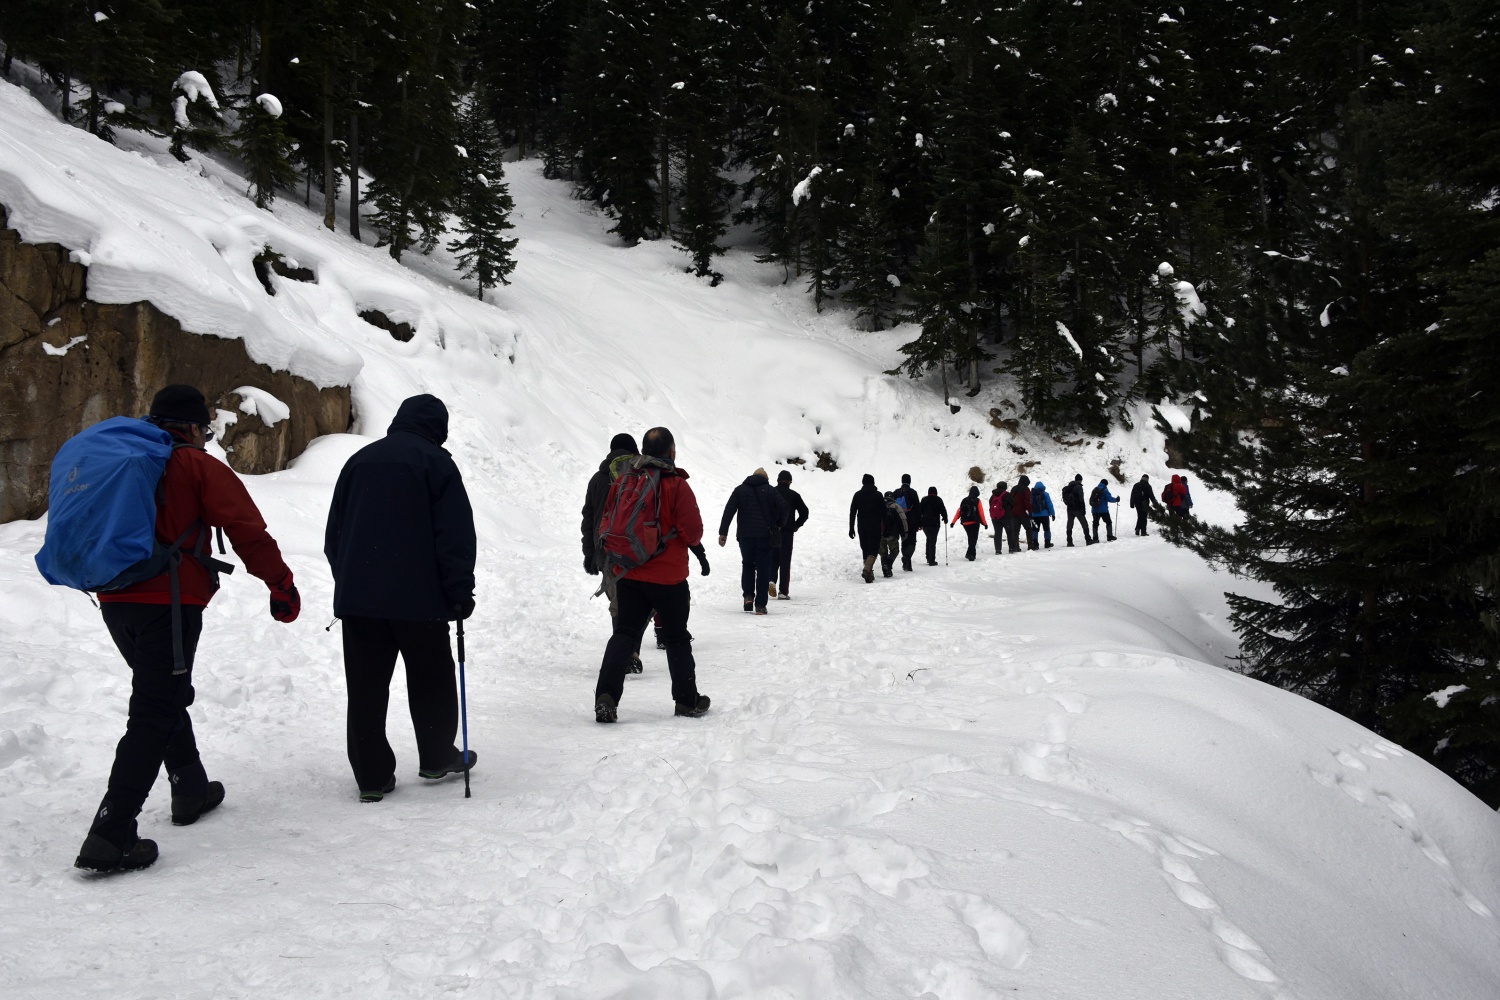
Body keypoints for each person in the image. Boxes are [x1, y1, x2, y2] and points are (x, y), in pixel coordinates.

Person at [71, 386, 300, 873]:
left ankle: (190, 787)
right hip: (168, 599)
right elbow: (246, 531)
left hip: (113, 596)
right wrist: (281, 584)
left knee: (163, 692)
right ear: (195, 428)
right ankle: (111, 833)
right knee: (155, 708)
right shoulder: (196, 465)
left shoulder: (122, 458)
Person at [325, 394, 477, 804]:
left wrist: (351, 582)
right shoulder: (436, 463)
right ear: (438, 428)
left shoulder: (358, 462)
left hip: (360, 603)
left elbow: (334, 536)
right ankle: (435, 756)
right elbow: (455, 535)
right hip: (419, 601)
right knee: (431, 680)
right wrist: (459, 591)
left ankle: (372, 777)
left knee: (366, 688)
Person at [594, 427, 709, 722]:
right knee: (676, 638)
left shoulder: (623, 481)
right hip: (669, 578)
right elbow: (693, 532)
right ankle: (686, 701)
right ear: (671, 452)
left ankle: (606, 696)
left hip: (630, 572)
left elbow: (606, 522)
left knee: (625, 632)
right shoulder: (677, 485)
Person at [582, 433, 645, 672]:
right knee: (639, 603)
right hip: (639, 550)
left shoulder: (598, 480)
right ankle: (633, 651)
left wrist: (589, 554)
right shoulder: (643, 474)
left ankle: (624, 651)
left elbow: (588, 520)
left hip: (607, 551)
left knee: (618, 605)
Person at [718, 467, 788, 614]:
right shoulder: (770, 490)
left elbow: (729, 510)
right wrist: (780, 524)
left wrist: (723, 532)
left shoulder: (740, 490)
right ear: (766, 479)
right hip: (765, 536)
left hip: (745, 536)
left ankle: (748, 597)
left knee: (748, 565)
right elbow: (784, 507)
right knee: (763, 569)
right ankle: (760, 606)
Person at [773, 470, 809, 599]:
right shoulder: (794, 495)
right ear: (789, 481)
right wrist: (796, 525)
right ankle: (783, 591)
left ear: (778, 480)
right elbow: (805, 512)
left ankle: (771, 581)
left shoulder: (770, 492)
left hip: (772, 531)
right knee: (785, 561)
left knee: (773, 558)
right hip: (787, 532)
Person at [849, 474, 886, 583]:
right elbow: (884, 513)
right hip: (875, 526)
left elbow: (852, 513)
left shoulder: (857, 495)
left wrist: (851, 528)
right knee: (873, 549)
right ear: (873, 482)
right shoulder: (878, 495)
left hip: (862, 526)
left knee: (865, 548)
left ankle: (869, 575)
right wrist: (886, 528)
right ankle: (867, 569)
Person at [893, 474, 922, 571]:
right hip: (911, 521)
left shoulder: (896, 492)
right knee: (912, 541)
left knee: (904, 541)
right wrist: (920, 523)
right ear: (910, 481)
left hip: (900, 521)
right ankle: (907, 558)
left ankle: (907, 565)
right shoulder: (912, 492)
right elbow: (918, 508)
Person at [951, 485, 988, 561]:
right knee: (974, 539)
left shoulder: (964, 500)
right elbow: (981, 513)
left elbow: (959, 511)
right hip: (974, 522)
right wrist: (985, 523)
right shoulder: (977, 500)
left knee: (970, 538)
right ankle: (970, 554)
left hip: (965, 523)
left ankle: (972, 554)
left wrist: (953, 522)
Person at [878, 492, 907, 577]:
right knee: (894, 551)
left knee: (883, 553)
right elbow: (900, 520)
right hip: (892, 534)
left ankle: (886, 572)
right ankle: (888, 564)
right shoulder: (895, 507)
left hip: (881, 534)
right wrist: (903, 533)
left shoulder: (879, 507)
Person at [1060, 474, 1094, 546]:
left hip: (1069, 508)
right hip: (1077, 508)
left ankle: (1069, 542)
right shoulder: (1079, 487)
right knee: (1084, 523)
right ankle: (1088, 540)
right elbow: (1081, 499)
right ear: (1080, 480)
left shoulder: (1069, 486)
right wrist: (1083, 509)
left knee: (1070, 524)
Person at [917, 487, 947, 565]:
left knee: (929, 539)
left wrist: (919, 523)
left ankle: (928, 557)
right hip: (935, 524)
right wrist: (945, 518)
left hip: (925, 524)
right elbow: (943, 510)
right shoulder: (938, 499)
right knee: (932, 541)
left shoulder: (924, 499)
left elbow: (920, 512)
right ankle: (931, 560)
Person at [1005, 475, 1033, 552]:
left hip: (1013, 512)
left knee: (1016, 530)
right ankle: (1030, 545)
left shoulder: (1014, 488)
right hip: (1023, 512)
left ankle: (1016, 547)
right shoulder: (1026, 489)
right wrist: (1030, 511)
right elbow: (1027, 501)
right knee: (1028, 528)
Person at [1029, 481, 1055, 548]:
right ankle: (1047, 543)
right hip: (1044, 515)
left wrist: (1030, 514)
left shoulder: (1031, 494)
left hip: (1034, 515)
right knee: (1046, 529)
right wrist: (1053, 513)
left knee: (1035, 530)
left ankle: (1035, 544)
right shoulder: (1045, 494)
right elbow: (1049, 504)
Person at [988, 482, 1009, 554]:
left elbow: (990, 505)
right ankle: (1012, 548)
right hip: (1006, 517)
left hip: (995, 517)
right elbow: (1012, 503)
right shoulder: (1007, 494)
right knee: (1009, 532)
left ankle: (998, 550)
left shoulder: (992, 496)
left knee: (997, 533)